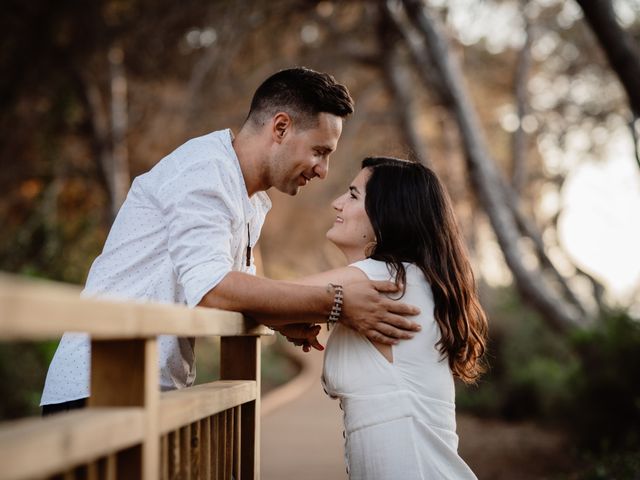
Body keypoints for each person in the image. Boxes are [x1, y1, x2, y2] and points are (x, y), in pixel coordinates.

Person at [40, 68, 421, 415]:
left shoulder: (250, 198)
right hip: (96, 390)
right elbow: (212, 289)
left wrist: (280, 318)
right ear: (281, 128)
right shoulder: (206, 171)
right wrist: (336, 301)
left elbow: (234, 292)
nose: (323, 170)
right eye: (319, 151)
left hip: (141, 394)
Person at [291, 157, 488, 479]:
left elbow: (260, 297)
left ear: (387, 215)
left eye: (353, 195)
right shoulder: (409, 280)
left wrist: (308, 307)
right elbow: (273, 302)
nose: (336, 203)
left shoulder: (390, 280)